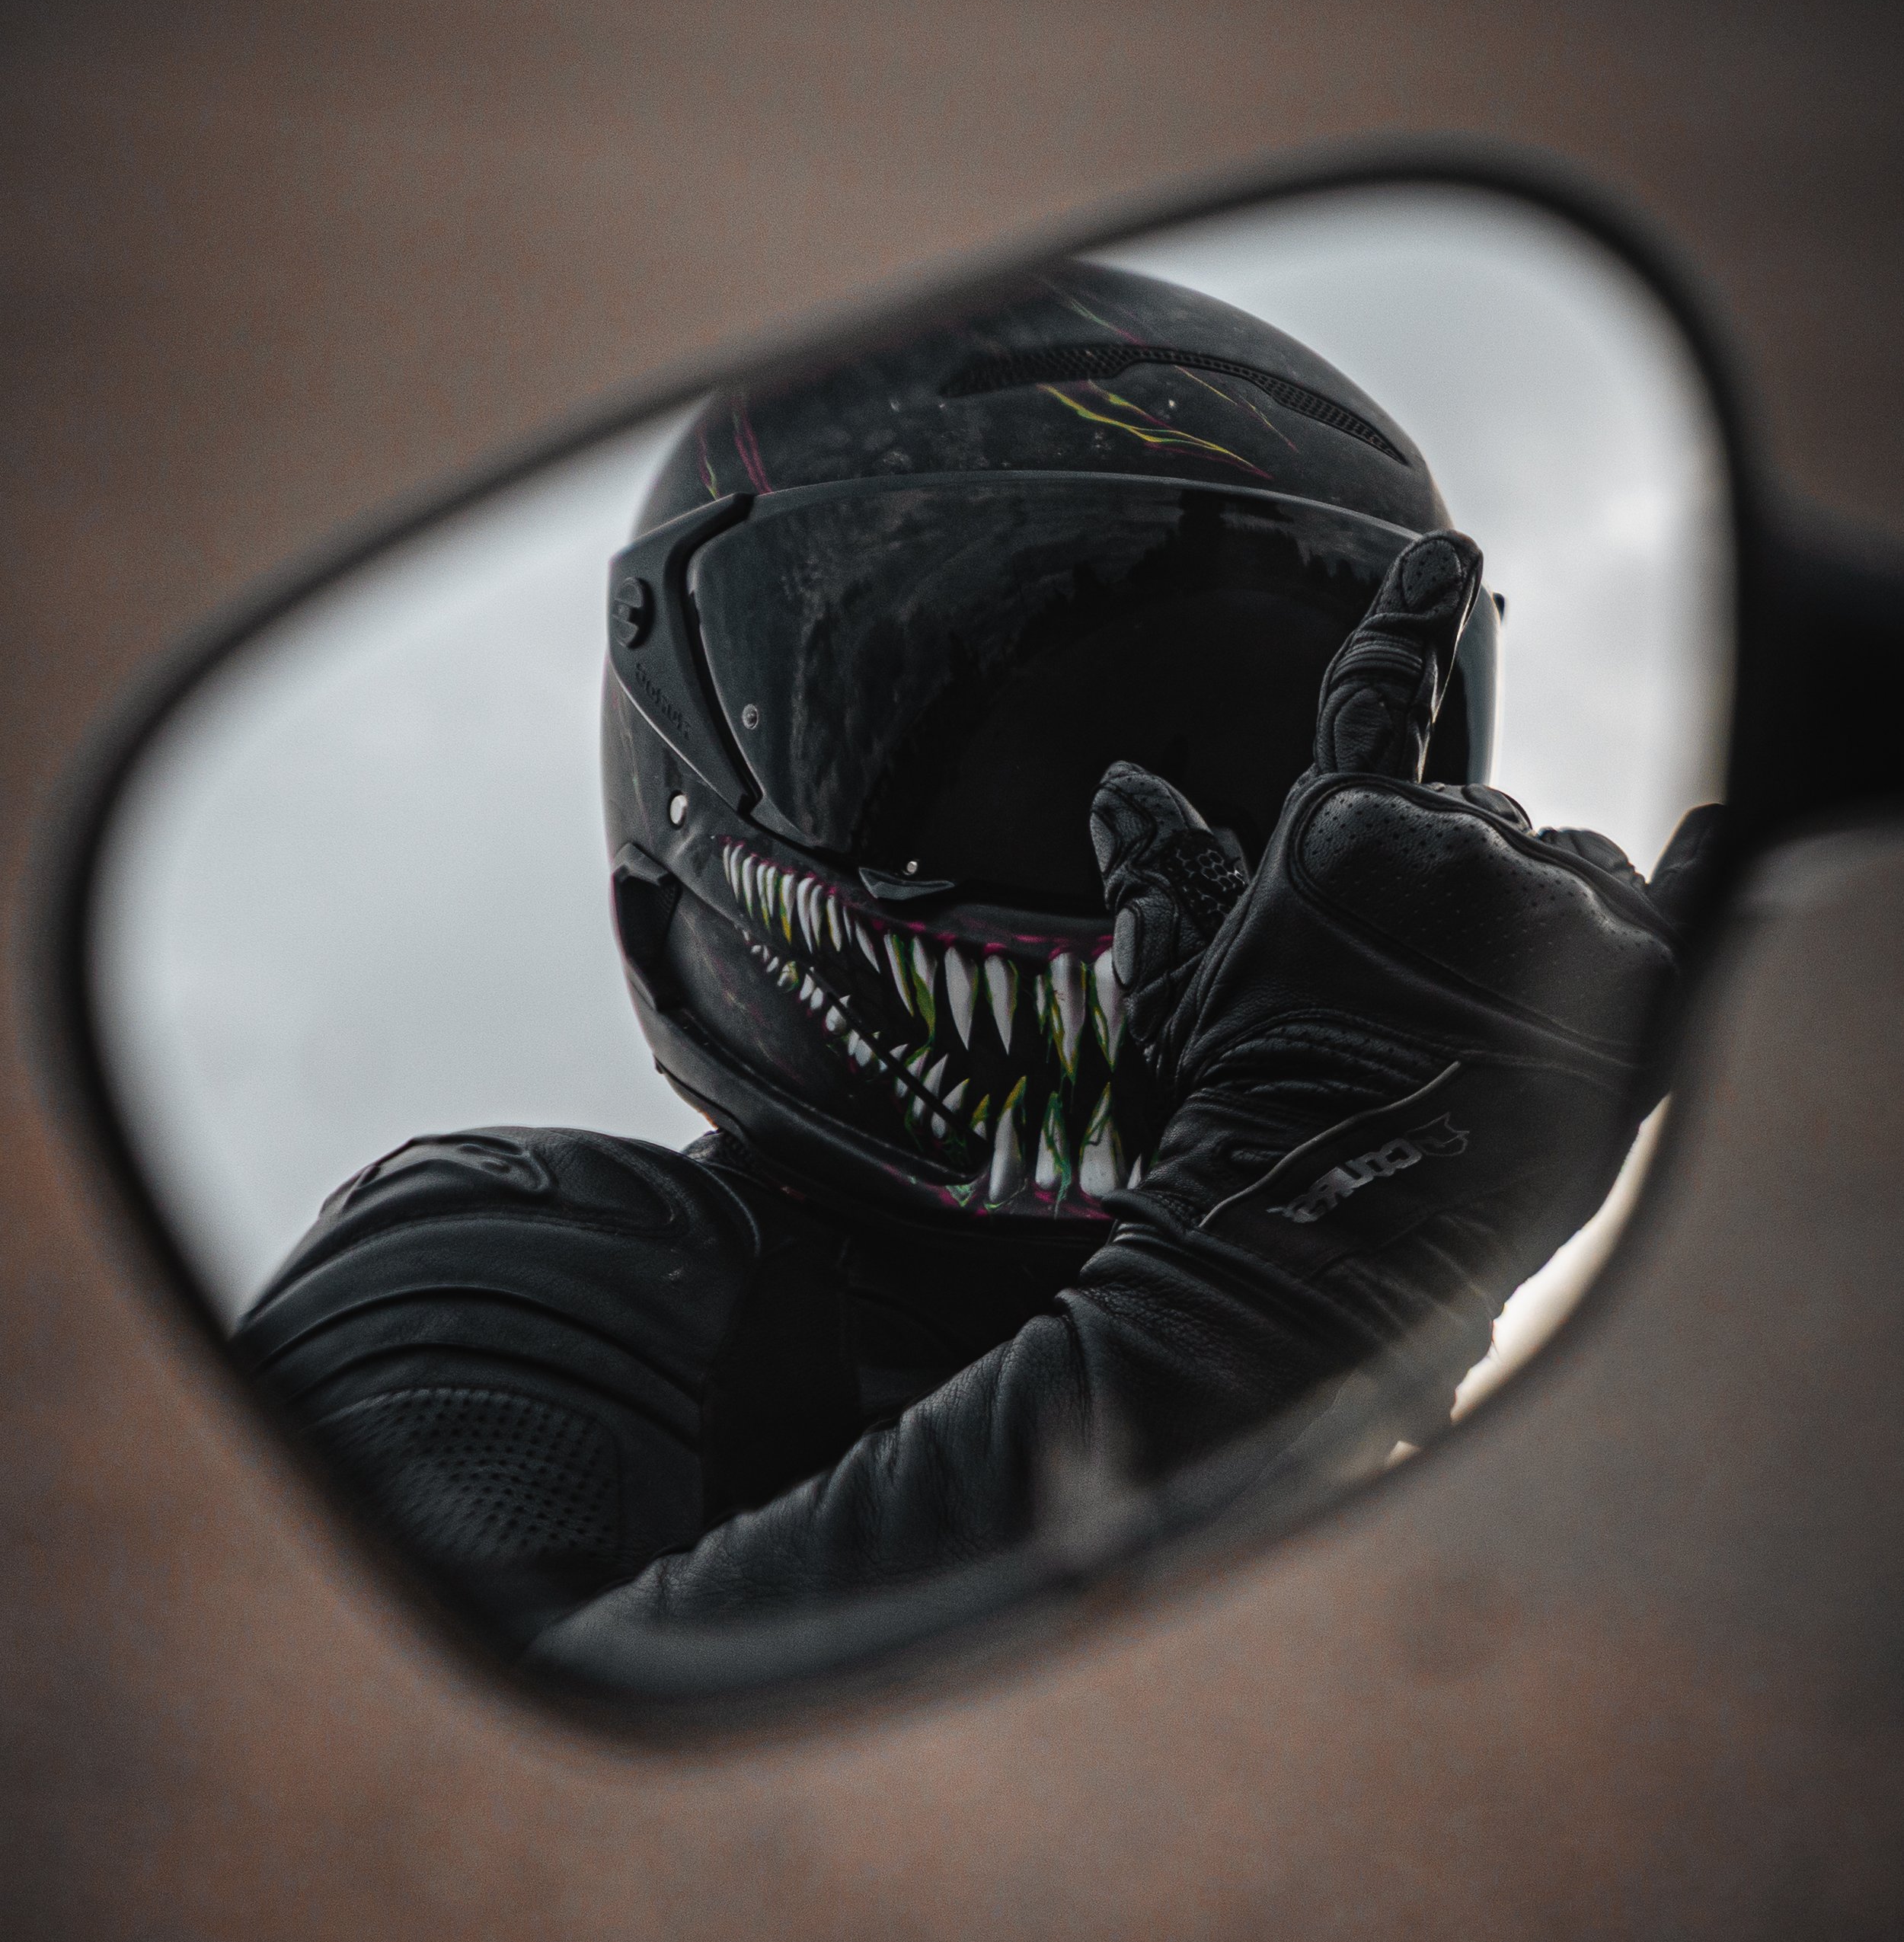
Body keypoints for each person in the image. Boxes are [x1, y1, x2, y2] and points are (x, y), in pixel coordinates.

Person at [235, 264, 1718, 1673]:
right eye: (1037, 762)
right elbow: (398, 1773)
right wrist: (1255, 1300)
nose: (1179, 861)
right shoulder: (528, 1253)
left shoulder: (1373, 1349)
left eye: (1290, 806)